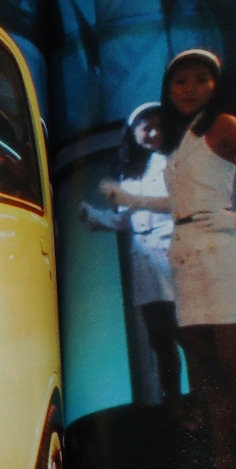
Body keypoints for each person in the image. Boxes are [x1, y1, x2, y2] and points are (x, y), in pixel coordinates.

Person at [102, 49, 236, 469]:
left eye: (200, 79)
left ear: (215, 84)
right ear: (169, 89)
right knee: (205, 369)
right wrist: (131, 200)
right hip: (185, 255)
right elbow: (179, 202)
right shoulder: (180, 139)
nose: (190, 88)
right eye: (180, 81)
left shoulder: (222, 124)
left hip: (221, 253)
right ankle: (226, 462)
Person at [80, 102, 183, 413]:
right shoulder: (130, 172)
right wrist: (94, 216)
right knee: (159, 337)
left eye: (159, 126)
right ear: (133, 132)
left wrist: (132, 199)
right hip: (144, 261)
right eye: (146, 127)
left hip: (175, 255)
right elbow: (127, 219)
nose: (153, 133)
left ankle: (204, 404)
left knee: (188, 335)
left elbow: (178, 203)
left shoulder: (178, 159)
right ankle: (174, 402)